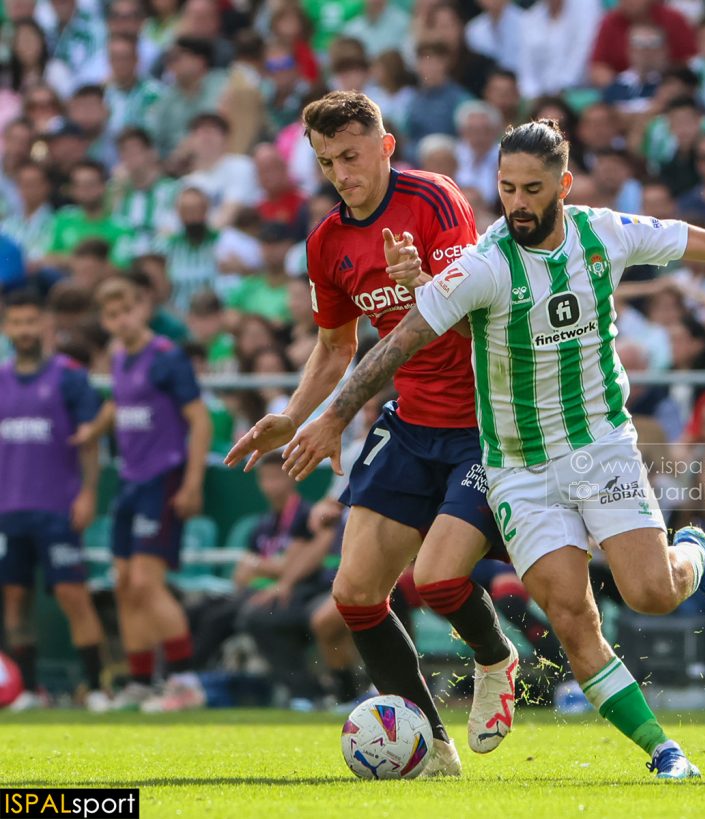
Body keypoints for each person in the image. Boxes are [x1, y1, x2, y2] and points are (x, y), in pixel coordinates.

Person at [285, 119, 705, 779]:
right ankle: (664, 751)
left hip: (602, 447)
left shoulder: (606, 232)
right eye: (507, 188)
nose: (517, 203)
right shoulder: (484, 264)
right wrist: (333, 412)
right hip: (517, 468)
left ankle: (693, 556)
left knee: (652, 592)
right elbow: (399, 342)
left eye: (532, 189)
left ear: (563, 186)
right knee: (571, 615)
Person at [223, 91, 518, 777]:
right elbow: (334, 347)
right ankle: (434, 751)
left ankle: (496, 658)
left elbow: (470, 306)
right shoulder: (327, 240)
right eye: (327, 162)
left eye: (351, 156)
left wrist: (426, 281)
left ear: (384, 146)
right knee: (355, 592)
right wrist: (293, 415)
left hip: (484, 422)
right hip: (411, 422)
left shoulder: (435, 199)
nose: (341, 173)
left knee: (439, 581)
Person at [79, 276, 213, 712]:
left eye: (127, 310)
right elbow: (120, 403)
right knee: (123, 585)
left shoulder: (167, 357)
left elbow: (201, 421)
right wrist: (92, 430)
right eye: (112, 314)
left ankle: (185, 682)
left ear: (142, 308)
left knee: (146, 583)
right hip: (130, 481)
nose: (121, 320)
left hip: (164, 478)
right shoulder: (119, 356)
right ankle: (139, 681)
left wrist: (192, 482)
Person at [0, 290, 109, 712]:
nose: (24, 331)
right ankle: (28, 690)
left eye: (32, 323)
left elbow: (90, 442)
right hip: (10, 509)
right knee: (14, 601)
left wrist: (88, 492)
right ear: (8, 328)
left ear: (45, 326)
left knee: (72, 595)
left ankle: (96, 687)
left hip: (57, 508)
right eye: (17, 323)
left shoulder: (69, 377)